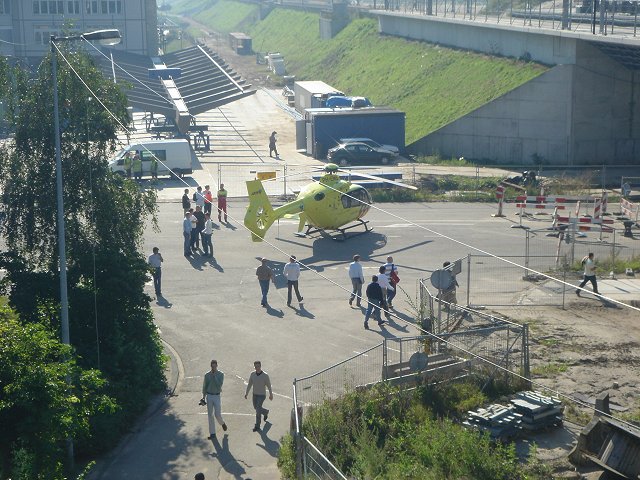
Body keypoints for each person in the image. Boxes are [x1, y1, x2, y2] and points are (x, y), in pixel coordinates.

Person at [201, 359, 227, 439]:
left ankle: (222, 423)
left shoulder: (221, 374)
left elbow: (219, 385)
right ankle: (212, 433)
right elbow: (205, 386)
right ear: (211, 366)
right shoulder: (207, 375)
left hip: (216, 396)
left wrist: (214, 376)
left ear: (217, 366)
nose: (213, 368)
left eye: (215, 366)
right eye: (212, 366)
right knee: (210, 415)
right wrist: (203, 397)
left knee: (217, 414)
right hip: (209, 395)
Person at [244, 361, 273, 432]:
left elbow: (269, 386)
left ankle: (257, 425)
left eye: (258, 366)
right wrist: (246, 393)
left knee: (258, 410)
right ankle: (265, 412)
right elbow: (249, 384)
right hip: (255, 395)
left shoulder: (265, 375)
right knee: (256, 407)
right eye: (256, 367)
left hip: (262, 395)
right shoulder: (252, 374)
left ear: (260, 366)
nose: (257, 368)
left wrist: (271, 394)